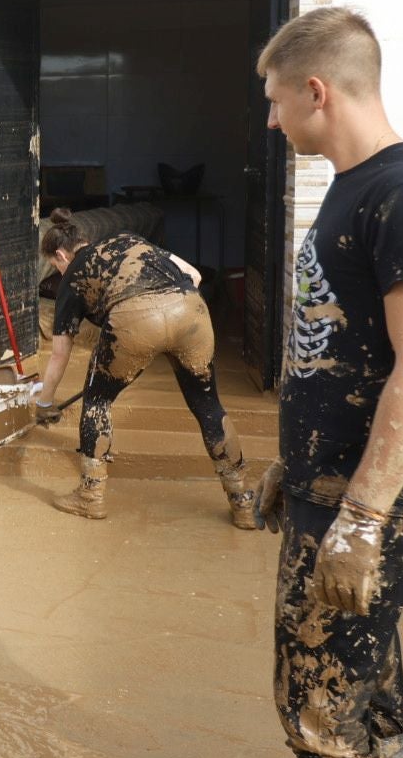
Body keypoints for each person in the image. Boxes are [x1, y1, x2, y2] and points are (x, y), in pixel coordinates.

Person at [252, 7, 403, 758]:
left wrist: (361, 517)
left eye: (276, 102)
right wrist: (298, 463)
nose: (273, 122)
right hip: (338, 481)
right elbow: (340, 347)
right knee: (364, 685)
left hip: (378, 496)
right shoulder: (354, 186)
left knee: (315, 704)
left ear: (317, 91)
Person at [35, 210, 259, 527]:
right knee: (208, 405)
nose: (59, 271)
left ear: (60, 254)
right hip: (191, 312)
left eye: (56, 265)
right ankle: (243, 503)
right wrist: (162, 334)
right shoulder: (129, 240)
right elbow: (194, 276)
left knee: (97, 402)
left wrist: (45, 403)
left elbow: (59, 354)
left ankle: (90, 497)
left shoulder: (73, 276)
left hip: (135, 322)